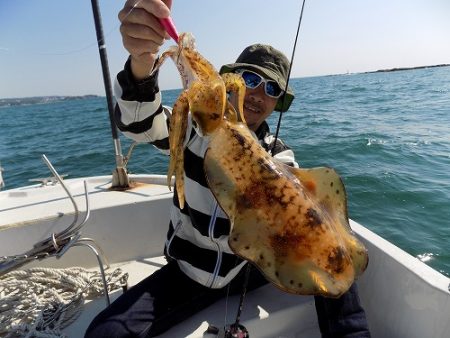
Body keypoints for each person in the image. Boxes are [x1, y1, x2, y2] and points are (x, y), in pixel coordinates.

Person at [85, 1, 371, 337]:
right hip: (190, 274)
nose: (258, 95)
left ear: (276, 102)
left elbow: (291, 196)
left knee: (337, 252)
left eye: (272, 90)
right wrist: (142, 61)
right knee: (106, 333)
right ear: (230, 82)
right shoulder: (193, 129)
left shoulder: (279, 154)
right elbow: (140, 124)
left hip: (251, 269)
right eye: (251, 78)